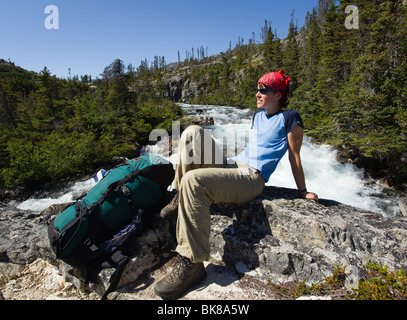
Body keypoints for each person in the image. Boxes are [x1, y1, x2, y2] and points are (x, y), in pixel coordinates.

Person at [154, 70, 319, 299]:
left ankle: (192, 263)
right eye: (258, 88)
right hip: (234, 166)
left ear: (279, 95)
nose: (257, 94)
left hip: (252, 178)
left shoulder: (290, 118)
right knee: (192, 132)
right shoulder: (257, 115)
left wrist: (303, 191)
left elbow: (295, 156)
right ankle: (181, 194)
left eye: (263, 90)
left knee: (195, 180)